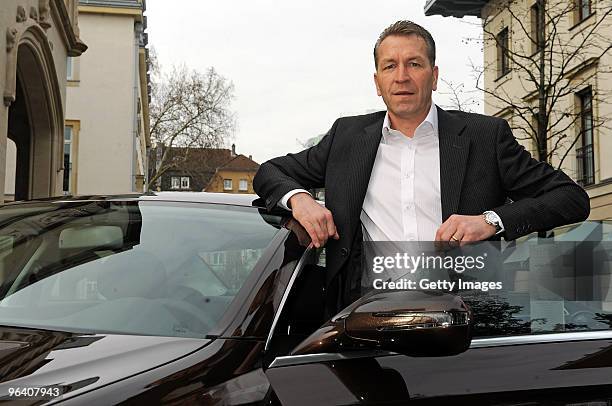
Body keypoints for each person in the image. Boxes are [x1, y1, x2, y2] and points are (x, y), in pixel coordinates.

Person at [253, 20, 590, 315]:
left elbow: (571, 198)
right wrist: (300, 199)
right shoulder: (347, 138)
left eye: (414, 64)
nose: (402, 77)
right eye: (390, 66)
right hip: (365, 318)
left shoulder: (484, 138)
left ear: (434, 75)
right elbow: (270, 172)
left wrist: (491, 222)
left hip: (463, 319)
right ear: (377, 81)